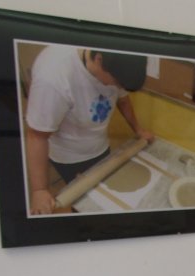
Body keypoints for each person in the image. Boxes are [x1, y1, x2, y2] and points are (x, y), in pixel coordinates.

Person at [24, 45, 154, 215]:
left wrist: (138, 129)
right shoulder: (53, 79)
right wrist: (39, 190)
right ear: (99, 59)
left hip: (100, 145)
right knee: (83, 203)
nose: (116, 87)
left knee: (103, 198)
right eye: (115, 83)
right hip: (70, 156)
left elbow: (123, 100)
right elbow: (37, 136)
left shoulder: (117, 64)